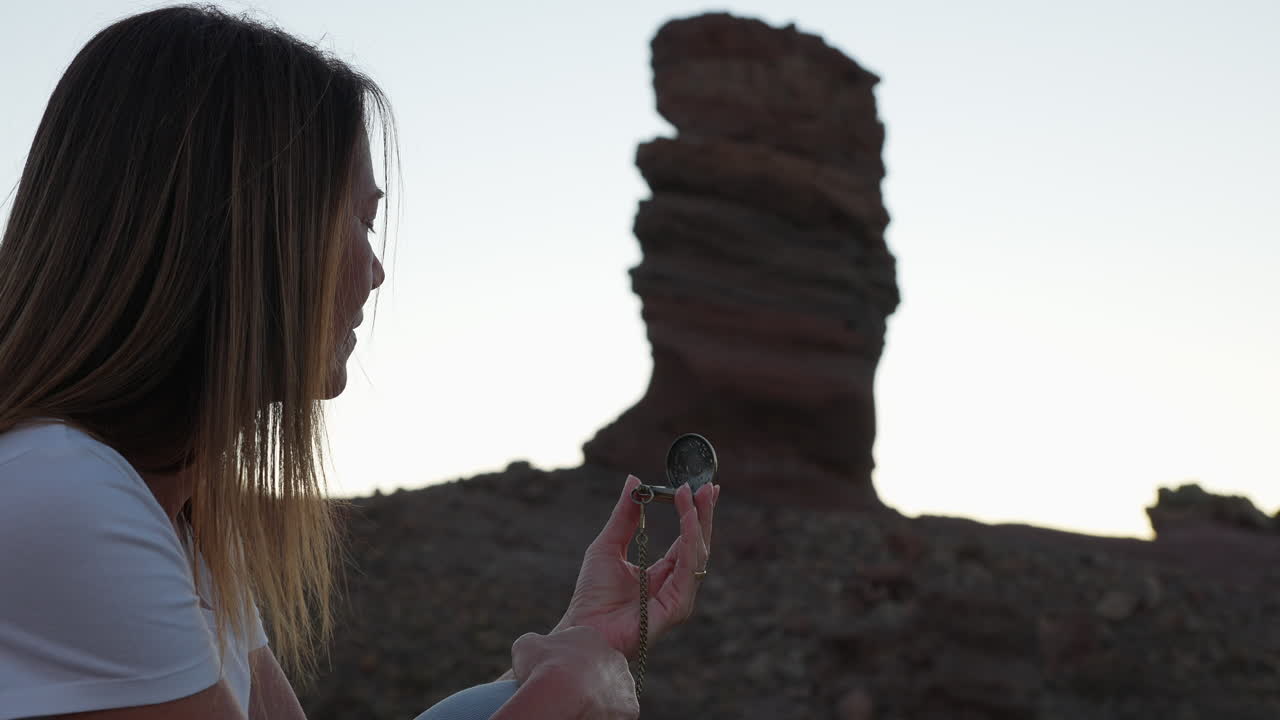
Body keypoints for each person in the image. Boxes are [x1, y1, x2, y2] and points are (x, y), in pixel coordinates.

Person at [0, 5, 718, 719]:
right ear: (237, 231)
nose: (374, 271)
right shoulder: (67, 496)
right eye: (359, 219)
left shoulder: (179, 521)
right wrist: (564, 699)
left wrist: (580, 645)